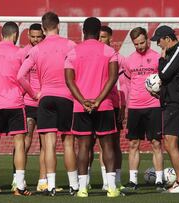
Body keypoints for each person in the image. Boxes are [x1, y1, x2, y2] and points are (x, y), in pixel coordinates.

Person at [17, 12, 78, 196]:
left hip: (45, 98)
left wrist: (34, 94)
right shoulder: (70, 45)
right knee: (68, 144)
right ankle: (73, 186)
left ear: (43, 29)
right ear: (58, 25)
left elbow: (20, 76)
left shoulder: (35, 49)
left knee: (48, 145)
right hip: (67, 97)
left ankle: (50, 186)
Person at [65, 17, 120, 198]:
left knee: (83, 147)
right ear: (98, 33)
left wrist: (83, 101)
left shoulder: (73, 52)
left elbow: (69, 80)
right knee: (108, 146)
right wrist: (98, 100)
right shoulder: (109, 50)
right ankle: (112, 188)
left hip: (81, 107)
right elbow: (113, 78)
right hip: (103, 105)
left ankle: (82, 188)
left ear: (83, 31)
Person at [0, 22, 31, 196]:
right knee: (19, 145)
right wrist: (21, 92)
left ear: (2, 34)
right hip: (15, 103)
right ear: (15, 35)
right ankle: (19, 188)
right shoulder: (20, 52)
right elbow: (24, 78)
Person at [123, 27, 164, 192]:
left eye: (142, 42)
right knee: (133, 144)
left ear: (147, 39)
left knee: (156, 143)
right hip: (134, 107)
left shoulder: (157, 58)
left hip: (153, 106)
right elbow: (127, 84)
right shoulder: (128, 60)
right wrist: (127, 104)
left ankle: (159, 181)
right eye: (136, 44)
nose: (140, 46)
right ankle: (133, 181)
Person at [150, 25, 179, 193]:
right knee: (175, 143)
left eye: (159, 41)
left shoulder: (177, 52)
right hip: (173, 101)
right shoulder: (176, 52)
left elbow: (164, 74)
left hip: (176, 103)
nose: (158, 44)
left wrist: (161, 58)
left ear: (167, 38)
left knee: (170, 143)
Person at [10, 23, 47, 192]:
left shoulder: (46, 51)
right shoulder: (23, 53)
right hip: (28, 103)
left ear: (44, 35)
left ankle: (43, 181)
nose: (35, 39)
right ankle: (18, 179)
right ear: (28, 36)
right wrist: (32, 94)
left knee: (46, 144)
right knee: (24, 142)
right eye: (32, 36)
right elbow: (18, 77)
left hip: (45, 103)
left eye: (38, 36)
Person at [97, 25, 124, 190]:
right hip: (98, 104)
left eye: (104, 37)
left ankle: (117, 180)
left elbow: (124, 84)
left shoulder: (118, 58)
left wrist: (123, 106)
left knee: (115, 144)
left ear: (110, 38)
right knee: (101, 145)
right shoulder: (94, 56)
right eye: (98, 37)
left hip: (113, 104)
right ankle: (106, 182)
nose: (101, 40)